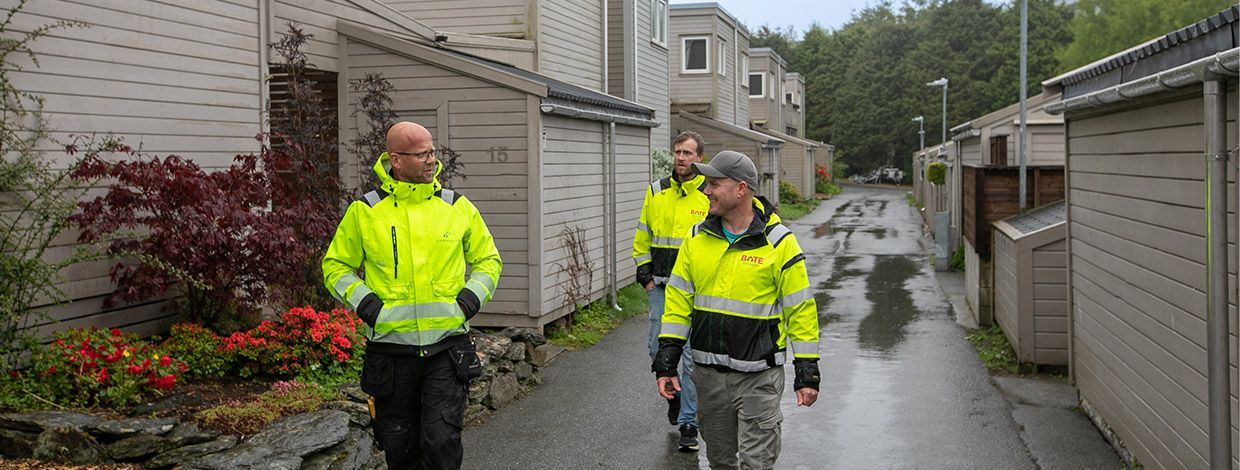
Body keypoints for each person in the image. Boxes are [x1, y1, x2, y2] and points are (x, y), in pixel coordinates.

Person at [322, 122, 501, 470]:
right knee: (400, 448)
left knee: (441, 442)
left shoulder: (457, 207)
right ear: (396, 160)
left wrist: (467, 302)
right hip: (390, 353)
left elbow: (488, 260)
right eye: (422, 154)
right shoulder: (366, 211)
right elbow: (336, 266)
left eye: (432, 151)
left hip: (446, 349)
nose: (431, 160)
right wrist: (368, 306)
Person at [653, 150, 820, 469]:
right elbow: (677, 303)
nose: (705, 191)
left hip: (758, 379)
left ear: (741, 188)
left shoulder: (778, 242)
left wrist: (807, 370)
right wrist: (667, 359)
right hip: (708, 377)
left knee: (756, 463)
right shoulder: (695, 238)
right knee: (720, 463)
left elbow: (800, 310)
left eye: (714, 183)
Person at [633, 131, 710, 452]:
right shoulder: (656, 191)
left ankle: (689, 423)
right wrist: (646, 276)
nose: (681, 158)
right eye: (678, 152)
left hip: (695, 292)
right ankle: (675, 397)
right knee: (657, 350)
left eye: (688, 153)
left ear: (699, 158)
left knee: (691, 358)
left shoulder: (709, 194)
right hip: (661, 288)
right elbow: (642, 235)